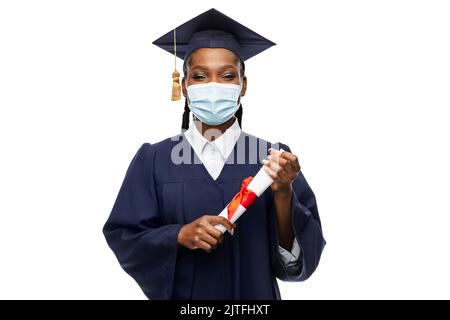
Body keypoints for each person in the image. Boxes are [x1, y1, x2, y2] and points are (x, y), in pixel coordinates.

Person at [103, 8, 325, 299]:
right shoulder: (154, 159)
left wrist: (283, 193)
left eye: (228, 75)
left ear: (243, 86)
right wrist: (178, 236)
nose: (213, 86)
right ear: (184, 86)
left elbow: (294, 265)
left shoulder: (273, 159)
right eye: (199, 76)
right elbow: (124, 236)